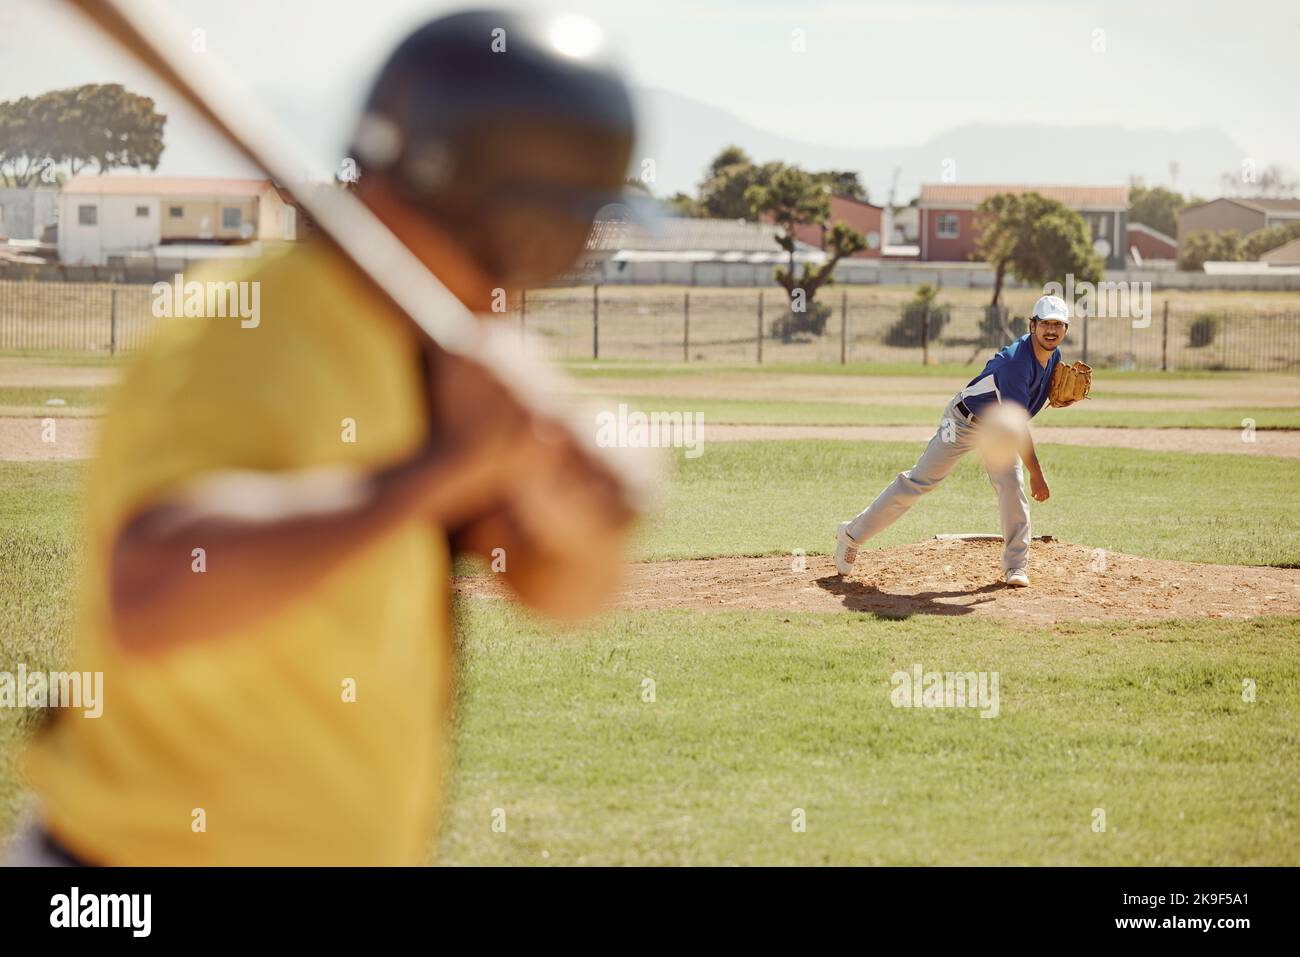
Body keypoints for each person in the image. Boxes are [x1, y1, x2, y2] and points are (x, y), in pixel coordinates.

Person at [15, 9, 638, 866]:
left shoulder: (429, 353)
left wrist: (590, 498)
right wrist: (439, 472)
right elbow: (154, 590)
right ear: (528, 228)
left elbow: (559, 590)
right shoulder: (253, 324)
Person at [834, 294, 1072, 588]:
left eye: (1058, 325)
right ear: (1032, 325)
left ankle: (1016, 566)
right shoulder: (1015, 363)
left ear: (1065, 329)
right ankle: (852, 534)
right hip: (961, 422)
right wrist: (1037, 473)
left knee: (1012, 487)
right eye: (1045, 323)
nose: (1051, 330)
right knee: (920, 481)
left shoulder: (1055, 356)